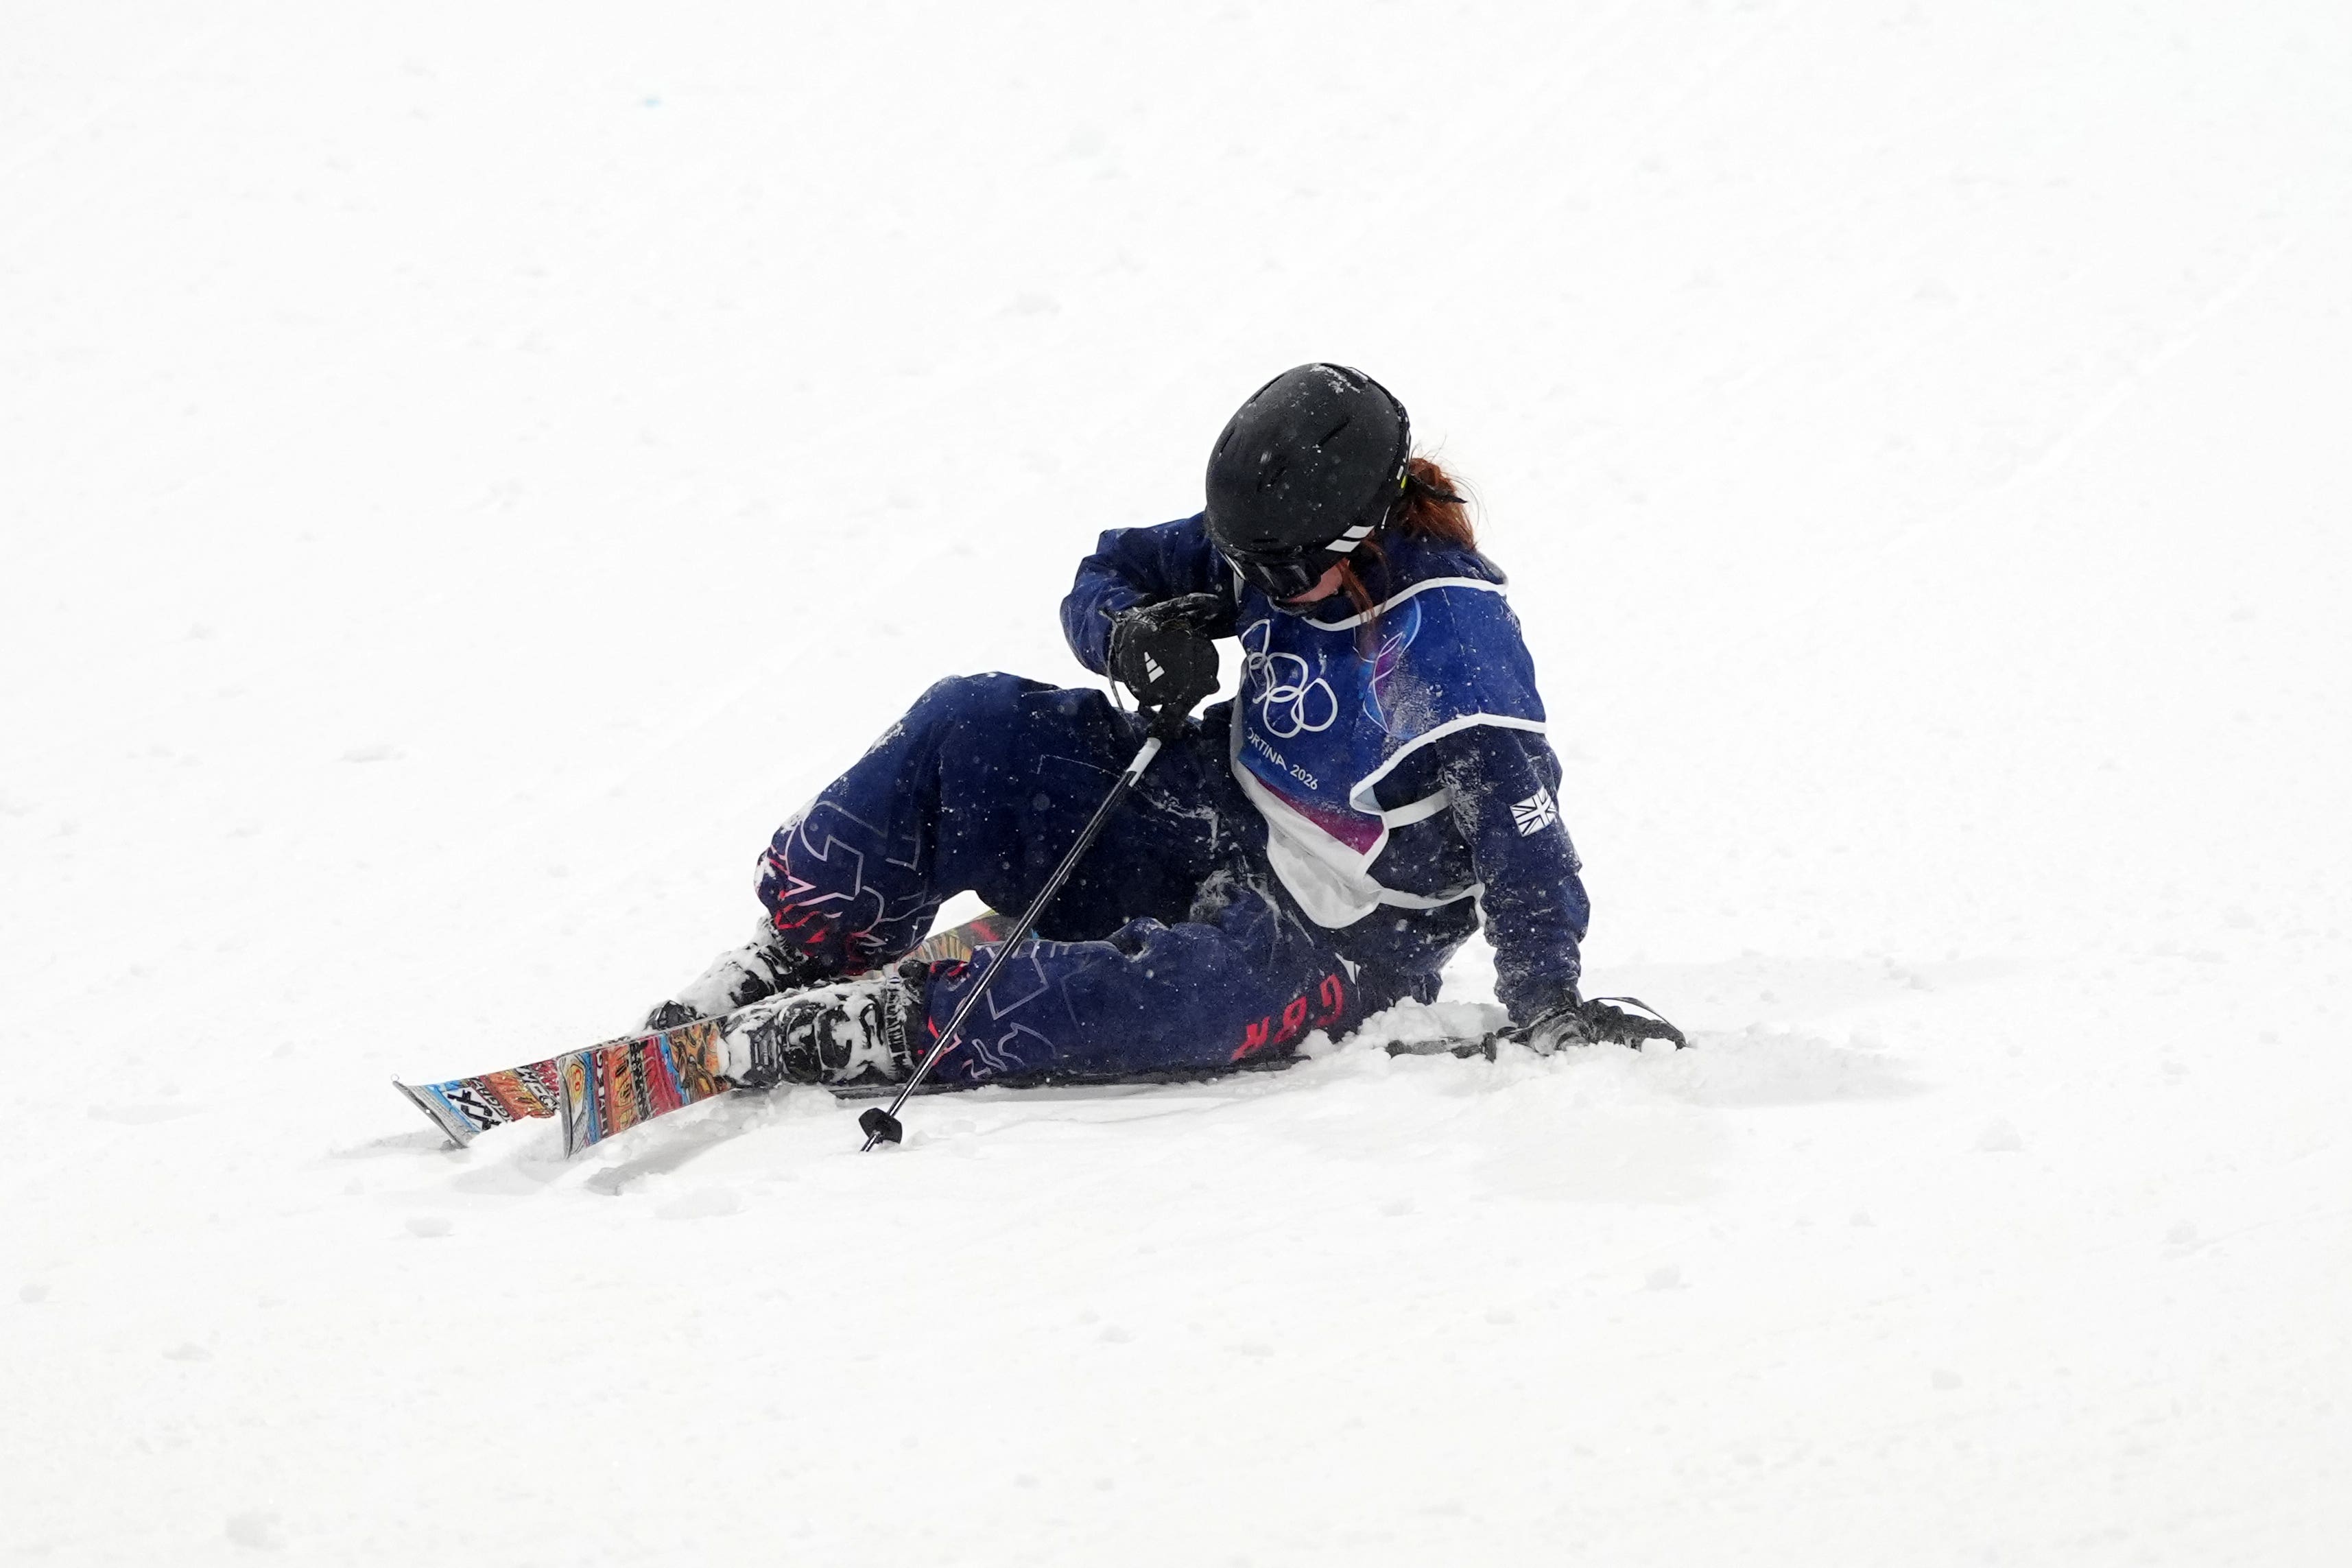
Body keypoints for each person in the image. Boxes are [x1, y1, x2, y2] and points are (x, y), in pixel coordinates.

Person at [645, 364, 1673, 1093]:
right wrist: (1129, 634)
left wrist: (1547, 997)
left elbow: (1525, 840)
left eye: (1280, 573)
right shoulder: (1271, 542)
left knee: (1180, 999)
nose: (1259, 588)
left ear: (1360, 537)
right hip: (1200, 808)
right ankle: (809, 942)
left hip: (1337, 935)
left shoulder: (1440, 644)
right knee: (971, 722)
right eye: (1246, 564)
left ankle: (892, 1025)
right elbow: (1111, 568)